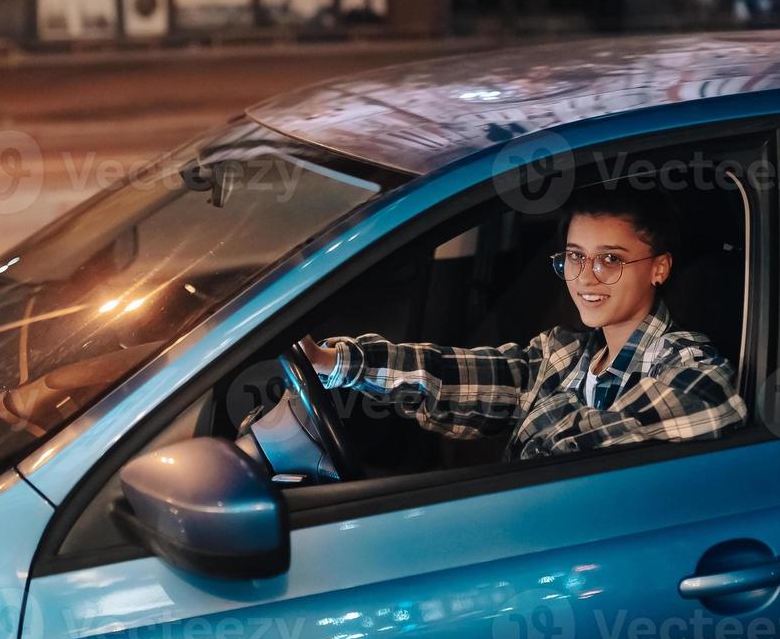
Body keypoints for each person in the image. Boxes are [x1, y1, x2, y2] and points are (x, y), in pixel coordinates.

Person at [298, 185, 747, 461]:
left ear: (659, 268)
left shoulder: (684, 360)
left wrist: (536, 420)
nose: (585, 278)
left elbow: (709, 408)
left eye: (610, 259)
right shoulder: (564, 353)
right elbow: (455, 375)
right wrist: (335, 362)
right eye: (575, 257)